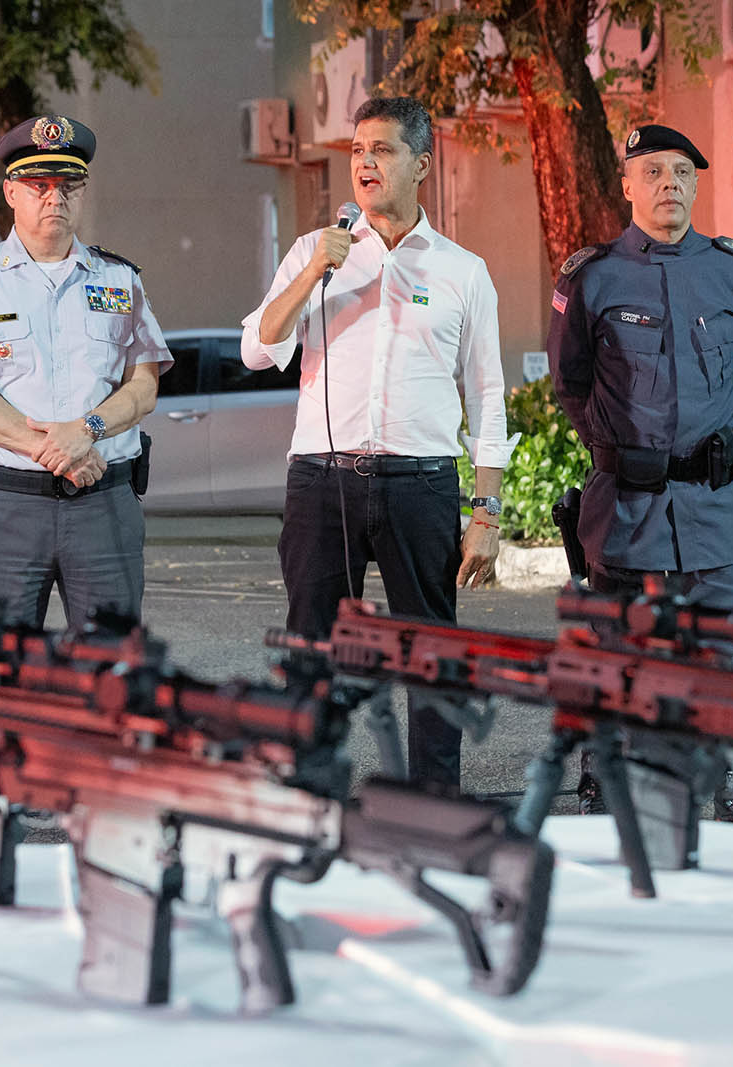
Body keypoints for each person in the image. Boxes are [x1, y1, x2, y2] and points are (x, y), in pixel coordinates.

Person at [241, 97, 516, 790]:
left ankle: (435, 802)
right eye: (358, 149)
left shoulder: (462, 271)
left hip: (419, 484)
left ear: (421, 165)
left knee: (430, 653)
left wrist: (488, 511)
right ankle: (307, 794)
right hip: (320, 482)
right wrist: (312, 275)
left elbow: (487, 396)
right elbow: (257, 348)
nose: (364, 161)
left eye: (383, 150)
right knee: (312, 649)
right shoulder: (315, 251)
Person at [0, 115, 170, 631]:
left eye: (68, 185)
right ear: (11, 192)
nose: (54, 198)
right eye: (38, 185)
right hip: (7, 508)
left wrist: (85, 433)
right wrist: (57, 451)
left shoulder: (120, 279)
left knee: (113, 672)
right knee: (0, 671)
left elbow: (144, 384)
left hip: (104, 507)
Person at [548, 124, 733, 611]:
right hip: (626, 521)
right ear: (627, 186)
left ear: (694, 187)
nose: (669, 182)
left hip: (715, 522)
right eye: (653, 171)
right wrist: (622, 449)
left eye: (682, 173)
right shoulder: (592, 278)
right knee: (625, 675)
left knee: (723, 672)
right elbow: (570, 381)